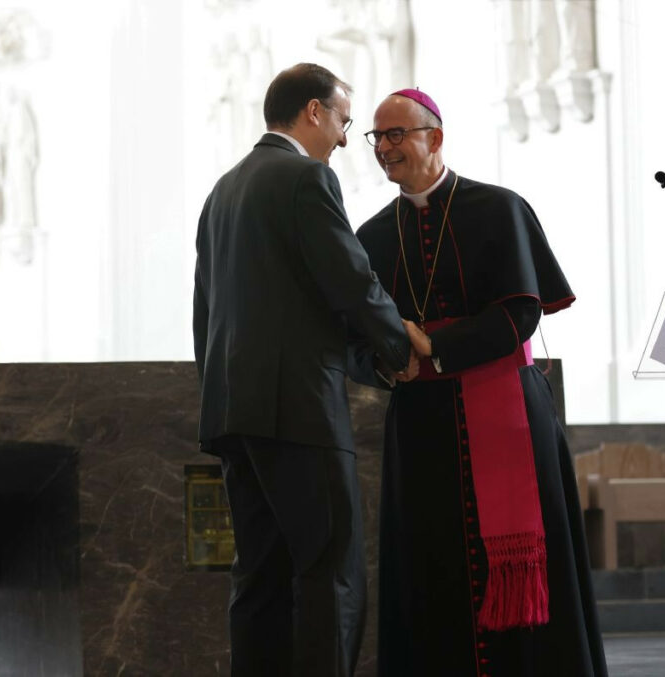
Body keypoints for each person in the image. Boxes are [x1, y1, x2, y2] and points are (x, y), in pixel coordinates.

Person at [349, 89, 608, 676]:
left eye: (397, 135)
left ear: (434, 137)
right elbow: (352, 345)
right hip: (421, 429)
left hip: (507, 411)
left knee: (528, 573)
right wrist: (388, 365)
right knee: (430, 568)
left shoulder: (498, 209)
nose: (385, 148)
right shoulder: (369, 237)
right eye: (376, 138)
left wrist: (435, 347)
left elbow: (521, 313)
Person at [193, 64, 418, 677]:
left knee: (259, 575)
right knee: (331, 572)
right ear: (314, 112)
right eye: (345, 121)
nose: (347, 139)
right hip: (298, 410)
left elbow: (205, 313)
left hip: (234, 413)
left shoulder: (223, 190)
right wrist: (400, 347)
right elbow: (348, 279)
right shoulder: (305, 178)